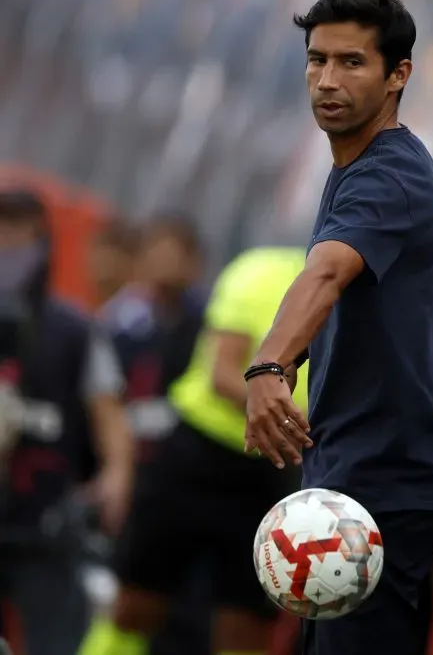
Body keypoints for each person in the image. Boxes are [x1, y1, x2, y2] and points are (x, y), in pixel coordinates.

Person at [242, 0, 433, 655]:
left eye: (352, 62)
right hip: (351, 470)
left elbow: (327, 273)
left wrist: (271, 364)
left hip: (385, 480)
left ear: (399, 74)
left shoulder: (389, 173)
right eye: (316, 61)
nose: (327, 80)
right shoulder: (355, 167)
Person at [77, 247, 309, 655]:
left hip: (269, 473)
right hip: (196, 455)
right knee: (137, 605)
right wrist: (304, 427)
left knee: (246, 626)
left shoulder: (372, 294)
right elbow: (224, 373)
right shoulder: (261, 270)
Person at [0, 188, 134, 655]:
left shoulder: (73, 329)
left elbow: (107, 410)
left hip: (44, 519)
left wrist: (116, 475)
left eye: (19, 233)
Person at [98, 214, 211, 655]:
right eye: (155, 253)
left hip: (189, 480)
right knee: (130, 598)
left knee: (185, 613)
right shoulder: (119, 324)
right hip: (137, 483)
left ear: (195, 263)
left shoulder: (207, 323)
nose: (164, 264)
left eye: (174, 254)